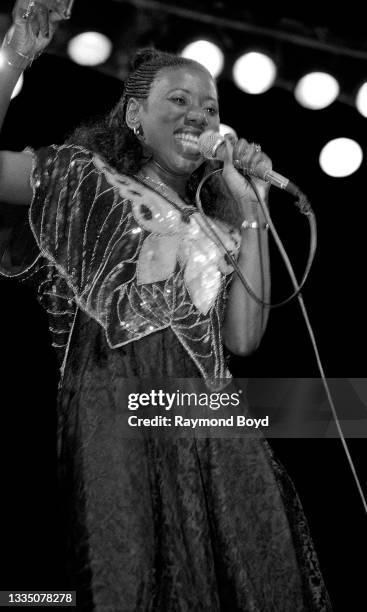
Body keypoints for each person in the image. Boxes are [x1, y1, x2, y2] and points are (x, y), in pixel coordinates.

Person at [0, 2, 332, 610]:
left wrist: (252, 203)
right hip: (112, 405)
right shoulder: (84, 177)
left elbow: (243, 341)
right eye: (179, 100)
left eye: (209, 107)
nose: (198, 115)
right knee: (122, 578)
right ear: (133, 114)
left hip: (210, 423)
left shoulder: (223, 228)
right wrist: (13, 56)